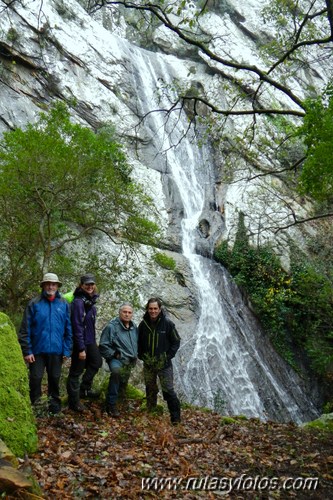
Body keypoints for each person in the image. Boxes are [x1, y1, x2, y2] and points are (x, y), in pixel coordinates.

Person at [18, 272, 72, 415]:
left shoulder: (64, 304)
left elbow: (68, 329)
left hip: (57, 350)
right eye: (48, 284)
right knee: (35, 378)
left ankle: (54, 408)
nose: (50, 286)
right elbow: (25, 329)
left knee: (54, 379)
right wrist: (27, 350)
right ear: (43, 286)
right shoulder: (34, 304)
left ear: (57, 286)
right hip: (37, 351)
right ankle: (36, 407)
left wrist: (66, 350)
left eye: (53, 284)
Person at [138, 297, 181, 425]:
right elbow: (138, 343)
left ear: (160, 309)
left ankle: (176, 419)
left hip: (164, 365)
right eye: (150, 309)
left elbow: (176, 341)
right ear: (147, 309)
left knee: (168, 390)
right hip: (149, 364)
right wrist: (142, 356)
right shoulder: (143, 325)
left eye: (155, 308)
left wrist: (167, 357)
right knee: (150, 389)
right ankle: (151, 413)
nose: (153, 311)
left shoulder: (168, 324)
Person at [66, 273, 102, 412]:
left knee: (96, 362)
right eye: (87, 284)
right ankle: (74, 402)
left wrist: (93, 342)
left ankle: (84, 389)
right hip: (79, 342)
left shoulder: (90, 303)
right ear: (81, 285)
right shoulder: (78, 302)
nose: (90, 286)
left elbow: (89, 326)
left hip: (89, 341)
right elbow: (77, 326)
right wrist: (81, 348)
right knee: (76, 371)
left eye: (92, 284)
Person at [99, 303, 138, 417]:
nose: (127, 314)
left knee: (123, 382)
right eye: (124, 312)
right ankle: (110, 404)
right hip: (117, 359)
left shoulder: (133, 327)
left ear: (132, 314)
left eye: (129, 312)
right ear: (120, 313)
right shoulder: (112, 327)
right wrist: (114, 354)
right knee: (116, 373)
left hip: (129, 360)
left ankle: (120, 402)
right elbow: (103, 345)